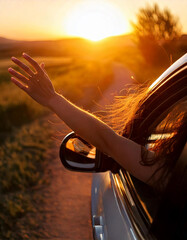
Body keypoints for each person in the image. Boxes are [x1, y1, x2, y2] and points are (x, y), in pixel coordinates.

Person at [8, 53, 181, 190]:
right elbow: (108, 141)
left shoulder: (175, 176)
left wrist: (52, 99)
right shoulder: (175, 176)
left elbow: (108, 141)